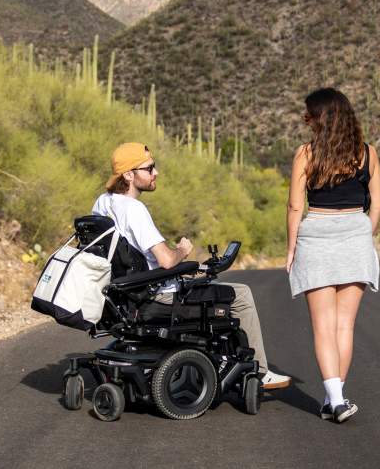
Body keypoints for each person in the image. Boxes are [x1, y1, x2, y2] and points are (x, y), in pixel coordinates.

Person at [92, 142, 291, 390]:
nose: (156, 173)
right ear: (129, 175)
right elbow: (165, 260)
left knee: (203, 284)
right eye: (149, 168)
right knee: (240, 294)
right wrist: (183, 251)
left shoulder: (102, 204)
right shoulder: (134, 209)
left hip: (124, 297)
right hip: (156, 298)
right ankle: (260, 372)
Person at [286, 88, 380, 423]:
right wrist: (360, 234)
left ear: (322, 117)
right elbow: (378, 205)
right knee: (345, 325)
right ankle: (335, 398)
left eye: (308, 113)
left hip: (317, 238)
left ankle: (336, 400)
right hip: (356, 235)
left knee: (323, 326)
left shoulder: (306, 154)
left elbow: (296, 205)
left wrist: (291, 247)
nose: (304, 118)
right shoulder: (367, 154)